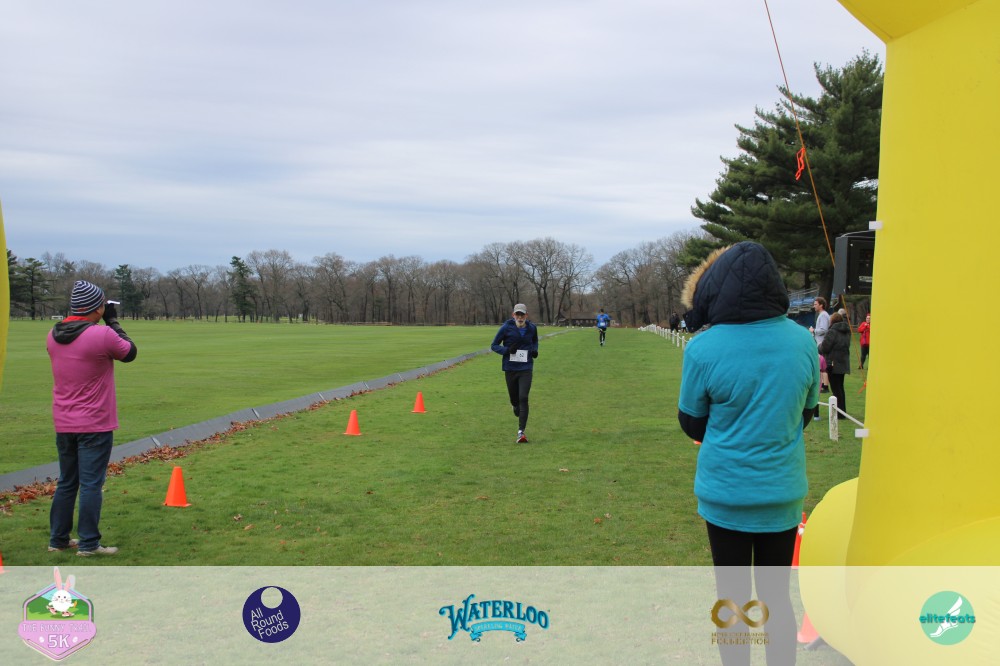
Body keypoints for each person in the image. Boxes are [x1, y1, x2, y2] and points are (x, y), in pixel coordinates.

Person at [677, 242, 819, 666]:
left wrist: (732, 431)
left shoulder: (703, 347)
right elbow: (806, 413)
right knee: (776, 597)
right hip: (781, 490)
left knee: (732, 600)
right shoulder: (802, 341)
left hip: (726, 492)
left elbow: (692, 422)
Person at [47, 280, 137, 557]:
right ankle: (88, 544)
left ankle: (58, 539)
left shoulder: (53, 335)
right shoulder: (101, 335)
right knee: (90, 484)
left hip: (64, 420)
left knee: (67, 482)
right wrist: (113, 321)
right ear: (97, 307)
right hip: (95, 422)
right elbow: (130, 352)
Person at [490, 304, 539, 443]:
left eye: (522, 314)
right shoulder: (506, 328)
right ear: (513, 315)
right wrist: (507, 350)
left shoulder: (532, 328)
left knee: (524, 397)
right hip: (510, 369)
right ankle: (515, 405)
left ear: (526, 315)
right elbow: (494, 345)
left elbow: (535, 341)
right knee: (515, 400)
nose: (520, 317)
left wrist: (535, 350)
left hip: (526, 368)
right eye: (517, 314)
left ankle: (521, 432)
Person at [819, 312, 852, 420]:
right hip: (843, 362)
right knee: (840, 388)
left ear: (832, 320)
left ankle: (839, 413)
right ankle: (842, 411)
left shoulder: (832, 331)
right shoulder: (846, 331)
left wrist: (819, 346)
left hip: (833, 363)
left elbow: (825, 347)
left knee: (836, 389)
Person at [809, 297, 830, 393]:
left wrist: (813, 330)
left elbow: (823, 330)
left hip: (821, 344)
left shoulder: (823, 315)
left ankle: (824, 386)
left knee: (822, 366)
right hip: (820, 343)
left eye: (815, 304)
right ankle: (823, 385)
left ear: (821, 305)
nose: (814, 306)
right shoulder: (822, 315)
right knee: (821, 366)